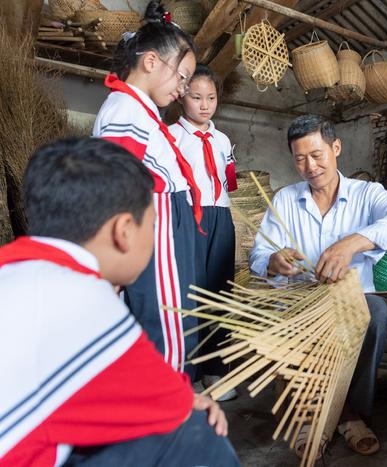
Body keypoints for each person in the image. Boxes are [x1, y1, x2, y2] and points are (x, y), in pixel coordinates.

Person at [0, 137, 238, 467]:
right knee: (198, 431)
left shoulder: (14, 268)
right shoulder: (82, 297)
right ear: (124, 231)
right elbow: (174, 402)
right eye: (152, 225)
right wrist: (186, 400)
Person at [248, 114, 387, 456]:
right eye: (299, 158)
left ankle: (338, 409)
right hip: (300, 302)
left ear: (335, 147)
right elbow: (259, 253)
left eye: (317, 155)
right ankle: (346, 416)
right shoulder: (284, 200)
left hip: (352, 302)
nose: (310, 166)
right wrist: (273, 260)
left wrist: (355, 241)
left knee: (377, 312)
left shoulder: (366, 194)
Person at [93, 0, 201, 376]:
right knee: (167, 326)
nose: (183, 89)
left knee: (170, 322)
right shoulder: (126, 110)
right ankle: (166, 415)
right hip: (156, 225)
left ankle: (161, 407)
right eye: (182, 77)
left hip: (165, 224)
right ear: (152, 62)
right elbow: (112, 186)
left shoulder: (136, 109)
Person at [169, 64, 237, 400]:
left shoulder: (223, 140)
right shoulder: (171, 136)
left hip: (221, 216)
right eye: (196, 97)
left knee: (220, 293)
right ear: (182, 96)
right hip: (188, 217)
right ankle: (189, 374)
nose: (204, 104)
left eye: (210, 98)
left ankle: (215, 371)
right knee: (189, 293)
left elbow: (229, 181)